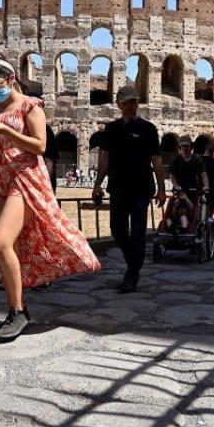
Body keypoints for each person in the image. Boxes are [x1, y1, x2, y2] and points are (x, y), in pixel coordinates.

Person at [0, 60, 100, 339]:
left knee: (1, 241)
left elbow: (40, 145)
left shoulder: (30, 106)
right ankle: (15, 308)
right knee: (3, 248)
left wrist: (6, 132)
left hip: (24, 177)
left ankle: (18, 311)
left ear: (10, 79)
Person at [92, 85, 166, 293]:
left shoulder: (148, 129)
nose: (132, 106)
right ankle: (133, 261)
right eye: (127, 102)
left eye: (134, 101)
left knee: (138, 232)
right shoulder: (111, 129)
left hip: (142, 187)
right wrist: (98, 184)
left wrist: (161, 188)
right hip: (118, 186)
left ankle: (132, 275)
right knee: (117, 230)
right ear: (119, 105)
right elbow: (104, 158)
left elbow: (157, 160)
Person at [166, 136, 209, 230]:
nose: (185, 148)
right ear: (180, 148)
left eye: (187, 146)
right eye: (183, 147)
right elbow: (172, 176)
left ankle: (189, 226)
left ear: (191, 147)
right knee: (172, 208)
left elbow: (203, 174)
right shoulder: (176, 161)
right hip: (179, 189)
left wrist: (206, 186)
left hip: (193, 189)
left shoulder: (197, 160)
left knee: (193, 207)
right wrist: (176, 186)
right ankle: (171, 227)